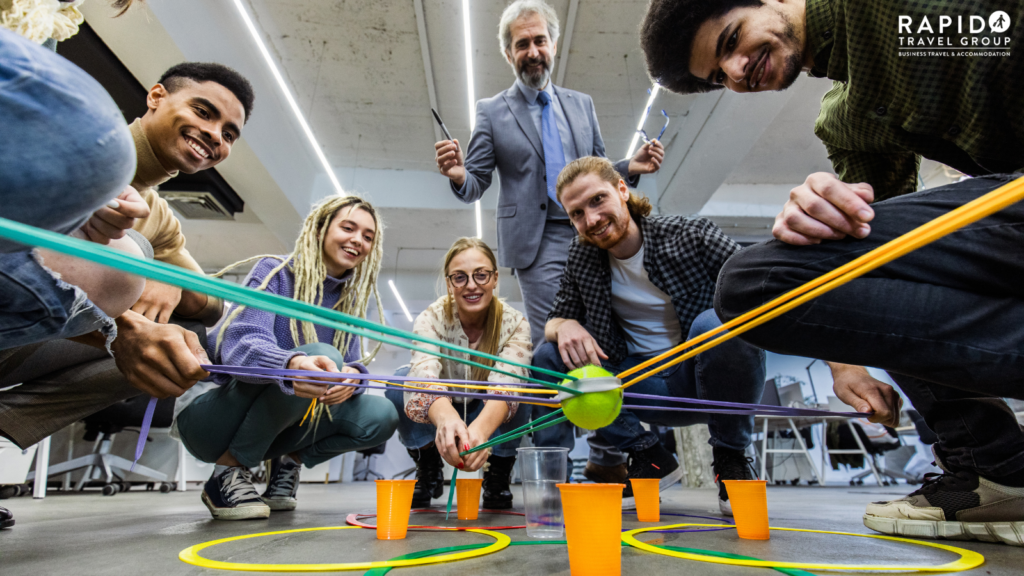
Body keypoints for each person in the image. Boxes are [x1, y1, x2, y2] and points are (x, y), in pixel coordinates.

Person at [641, 0, 1024, 544]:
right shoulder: (846, 120)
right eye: (717, 77)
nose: (734, 73)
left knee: (752, 282)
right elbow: (871, 266)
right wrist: (844, 359)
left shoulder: (889, 11)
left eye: (731, 40)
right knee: (770, 277)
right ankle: (995, 469)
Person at [434, 0, 664, 478]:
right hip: (536, 243)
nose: (533, 51)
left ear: (553, 45)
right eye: (523, 44)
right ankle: (563, 460)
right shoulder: (492, 111)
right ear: (508, 53)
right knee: (558, 346)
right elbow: (475, 180)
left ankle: (606, 456)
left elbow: (597, 169)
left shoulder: (581, 104)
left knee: (604, 341)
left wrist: (630, 168)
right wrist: (458, 173)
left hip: (592, 235)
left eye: (540, 41)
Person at [533, 156, 766, 514]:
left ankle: (731, 458)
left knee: (718, 321)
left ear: (622, 189)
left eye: (597, 200)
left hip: (703, 383)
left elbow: (769, 292)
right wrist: (564, 324)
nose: (591, 220)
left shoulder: (691, 235)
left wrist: (843, 366)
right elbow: (553, 319)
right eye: (577, 213)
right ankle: (648, 454)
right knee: (549, 356)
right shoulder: (582, 256)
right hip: (640, 387)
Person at [173, 196, 399, 520]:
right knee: (321, 359)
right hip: (212, 418)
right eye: (348, 228)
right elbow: (238, 345)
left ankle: (287, 462)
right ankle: (226, 473)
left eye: (368, 236)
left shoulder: (350, 302)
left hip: (278, 430)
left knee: (382, 413)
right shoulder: (275, 272)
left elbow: (348, 361)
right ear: (320, 229)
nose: (357, 241)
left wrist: (353, 378)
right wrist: (291, 364)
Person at [385, 238, 533, 509]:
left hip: (489, 407)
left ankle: (498, 471)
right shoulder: (430, 318)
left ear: (495, 278)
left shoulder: (515, 323)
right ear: (449, 282)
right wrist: (445, 420)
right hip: (441, 406)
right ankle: (426, 460)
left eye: (481, 275)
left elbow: (507, 384)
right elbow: (424, 374)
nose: (472, 285)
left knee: (526, 387)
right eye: (460, 277)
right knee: (398, 381)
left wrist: (482, 431)